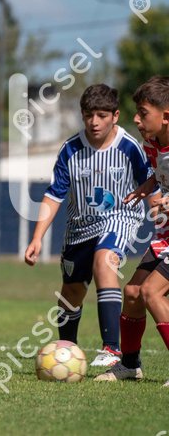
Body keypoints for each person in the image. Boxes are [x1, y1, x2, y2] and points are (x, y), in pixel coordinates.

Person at [24, 84, 152, 368]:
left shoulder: (130, 147)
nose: (94, 122)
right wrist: (37, 238)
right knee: (72, 293)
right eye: (88, 115)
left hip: (121, 218)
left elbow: (151, 185)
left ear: (115, 116)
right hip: (79, 228)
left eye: (102, 115)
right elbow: (54, 195)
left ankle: (112, 350)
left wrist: (161, 218)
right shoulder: (70, 149)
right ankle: (67, 351)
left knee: (104, 262)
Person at [97, 76, 169, 383]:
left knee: (152, 292)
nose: (136, 119)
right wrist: (146, 187)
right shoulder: (152, 144)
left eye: (143, 113)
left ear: (166, 116)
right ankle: (129, 365)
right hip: (166, 236)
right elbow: (160, 173)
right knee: (133, 293)